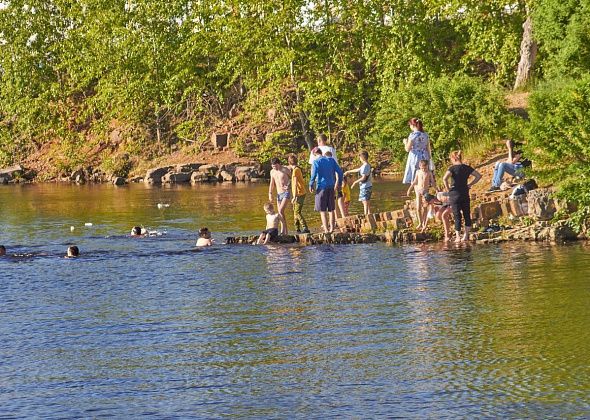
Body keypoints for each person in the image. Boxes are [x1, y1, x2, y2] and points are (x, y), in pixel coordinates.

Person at [442, 150, 482, 243]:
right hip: (464, 192)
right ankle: (466, 236)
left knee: (457, 216)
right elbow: (478, 176)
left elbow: (444, 179)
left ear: (454, 158)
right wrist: (470, 184)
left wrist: (448, 189)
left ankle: (458, 237)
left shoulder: (452, 168)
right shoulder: (466, 167)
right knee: (466, 214)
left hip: (454, 194)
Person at [309, 148, 344, 233]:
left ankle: (326, 229)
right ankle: (332, 228)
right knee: (331, 209)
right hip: (331, 187)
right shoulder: (331, 160)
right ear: (321, 152)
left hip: (321, 187)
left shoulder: (316, 162)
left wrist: (311, 184)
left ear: (315, 154)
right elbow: (340, 172)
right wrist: (339, 182)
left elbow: (313, 175)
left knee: (322, 210)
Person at [406, 159, 435, 231]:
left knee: (425, 208)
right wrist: (409, 189)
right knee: (418, 208)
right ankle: (420, 222)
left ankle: (424, 222)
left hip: (425, 191)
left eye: (425, 168)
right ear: (419, 167)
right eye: (422, 168)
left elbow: (433, 182)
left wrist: (436, 189)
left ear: (427, 166)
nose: (424, 169)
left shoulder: (429, 173)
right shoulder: (418, 172)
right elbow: (415, 181)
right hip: (418, 191)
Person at [403, 118, 434, 185]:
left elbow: (407, 149)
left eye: (410, 125)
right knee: (424, 173)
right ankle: (425, 189)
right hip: (425, 155)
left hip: (415, 156)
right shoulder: (425, 134)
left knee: (415, 174)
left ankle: (417, 192)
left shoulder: (413, 135)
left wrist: (405, 142)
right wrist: (429, 157)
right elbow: (428, 148)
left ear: (413, 125)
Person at [287, 154, 310, 234]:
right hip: (299, 193)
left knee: (297, 212)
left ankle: (305, 227)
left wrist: (295, 196)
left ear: (289, 163)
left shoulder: (296, 170)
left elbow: (296, 184)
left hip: (299, 194)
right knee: (295, 211)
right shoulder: (296, 169)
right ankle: (297, 228)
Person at [268, 157, 291, 234]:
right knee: (280, 213)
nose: (274, 168)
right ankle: (285, 231)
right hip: (279, 194)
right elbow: (272, 183)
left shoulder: (285, 169)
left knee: (280, 211)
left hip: (286, 192)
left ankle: (282, 231)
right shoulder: (272, 172)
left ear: (279, 164)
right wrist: (270, 193)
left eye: (275, 166)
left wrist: (289, 185)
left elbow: (293, 179)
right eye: (273, 166)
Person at [345, 151, 373, 215]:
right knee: (367, 201)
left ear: (362, 158)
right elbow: (358, 170)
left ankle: (366, 215)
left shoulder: (365, 166)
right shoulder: (366, 165)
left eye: (360, 157)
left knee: (365, 202)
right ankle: (369, 214)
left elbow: (363, 177)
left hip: (365, 186)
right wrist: (348, 172)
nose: (359, 158)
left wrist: (355, 182)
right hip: (368, 185)